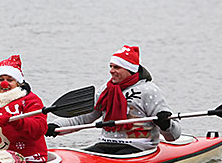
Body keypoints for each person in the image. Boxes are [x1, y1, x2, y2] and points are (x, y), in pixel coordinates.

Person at [46, 45, 181, 155]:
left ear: (130, 69)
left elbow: (173, 136)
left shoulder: (149, 91)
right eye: (110, 66)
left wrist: (165, 124)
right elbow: (85, 117)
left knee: (121, 153)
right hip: (106, 143)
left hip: (140, 147)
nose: (111, 71)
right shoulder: (106, 88)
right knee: (86, 153)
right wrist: (57, 127)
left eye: (116, 67)